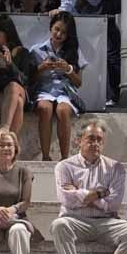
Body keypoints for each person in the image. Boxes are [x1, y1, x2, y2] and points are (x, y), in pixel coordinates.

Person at [53, 119, 127, 254]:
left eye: (99, 140)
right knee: (59, 225)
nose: (95, 143)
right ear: (78, 141)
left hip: (106, 222)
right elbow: (65, 198)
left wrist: (80, 193)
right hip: (75, 220)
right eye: (91, 138)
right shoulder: (64, 166)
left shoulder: (115, 167)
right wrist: (100, 193)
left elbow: (114, 203)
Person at [29, 11, 86, 161]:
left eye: (64, 32)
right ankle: (46, 156)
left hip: (65, 91)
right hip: (43, 90)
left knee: (63, 110)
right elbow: (29, 78)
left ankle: (65, 158)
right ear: (51, 28)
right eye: (57, 29)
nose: (59, 34)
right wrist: (42, 67)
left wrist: (68, 69)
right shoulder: (36, 50)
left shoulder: (74, 51)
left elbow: (78, 83)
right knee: (45, 108)